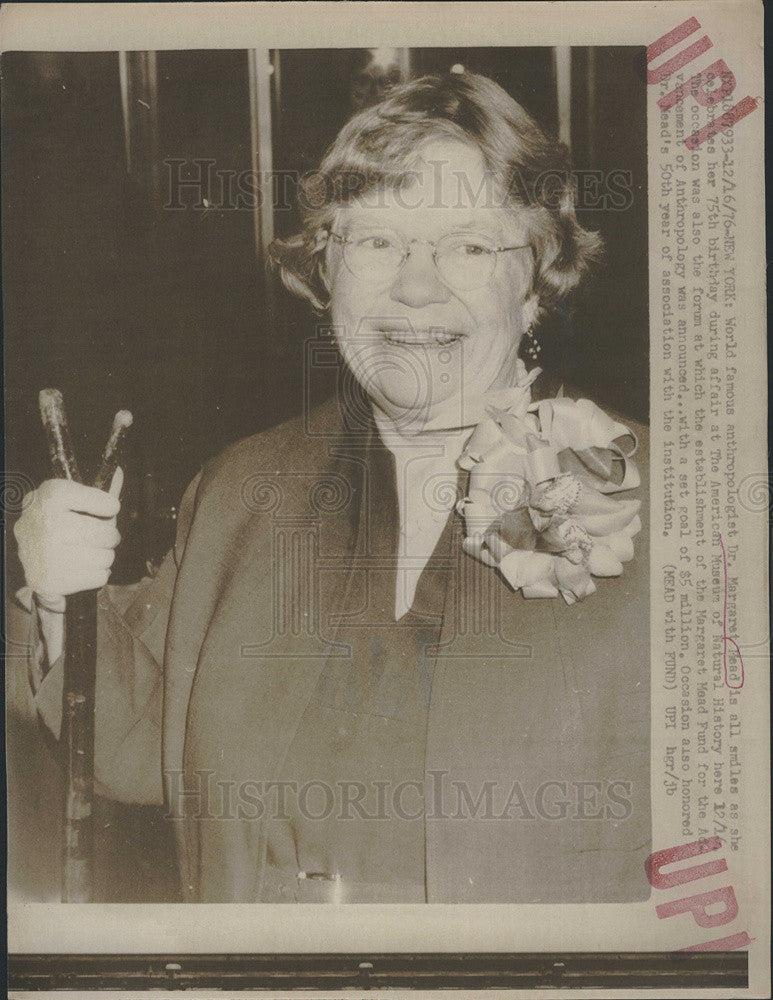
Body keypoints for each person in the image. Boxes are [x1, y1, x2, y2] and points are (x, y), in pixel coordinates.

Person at [12, 72, 650, 904]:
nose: (414, 287)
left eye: (466, 244)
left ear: (535, 284)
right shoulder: (243, 490)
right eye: (376, 241)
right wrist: (64, 596)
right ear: (325, 270)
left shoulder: (673, 507)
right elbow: (139, 738)